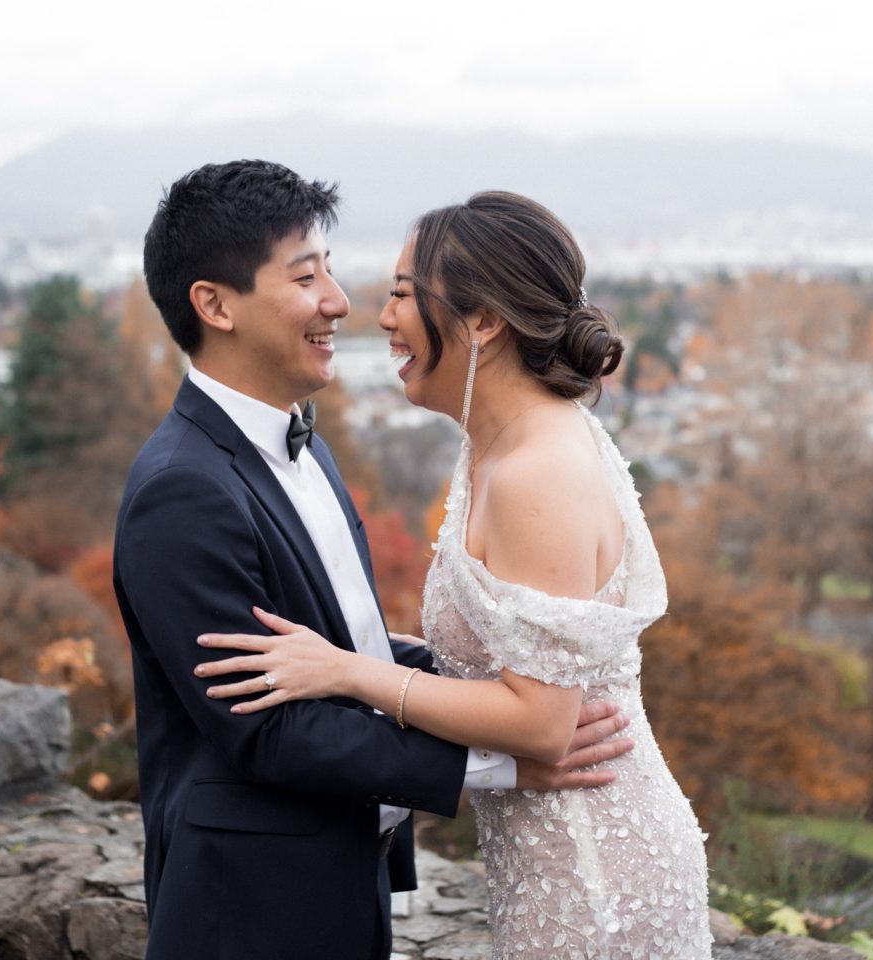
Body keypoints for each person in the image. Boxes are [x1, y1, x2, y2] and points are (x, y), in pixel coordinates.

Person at [114, 162, 636, 960]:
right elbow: (270, 728)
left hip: (339, 883)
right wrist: (498, 762)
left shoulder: (304, 447)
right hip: (250, 909)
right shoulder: (180, 490)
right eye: (305, 275)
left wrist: (521, 696)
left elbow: (340, 650)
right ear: (214, 305)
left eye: (328, 267)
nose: (339, 300)